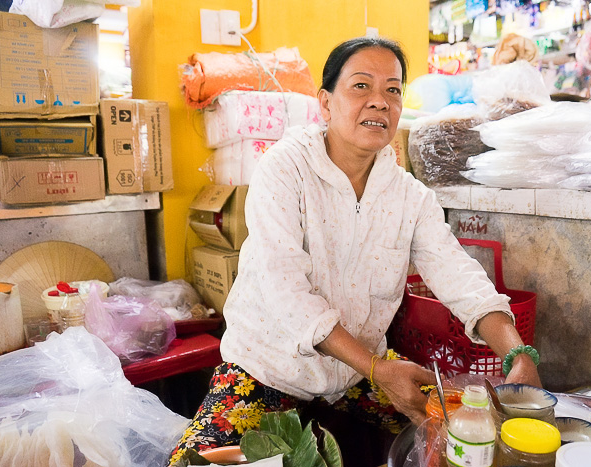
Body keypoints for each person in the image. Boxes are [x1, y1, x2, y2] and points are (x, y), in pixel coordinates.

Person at [167, 36, 541, 465]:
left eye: (393, 90)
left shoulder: (410, 197)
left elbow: (460, 276)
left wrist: (518, 353)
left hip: (356, 375)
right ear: (325, 103)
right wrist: (379, 369)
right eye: (361, 86)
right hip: (265, 371)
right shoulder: (284, 169)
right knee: (189, 464)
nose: (379, 102)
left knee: (464, 439)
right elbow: (285, 288)